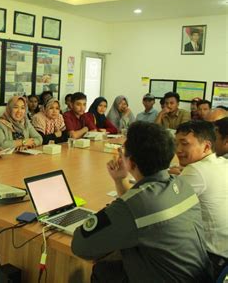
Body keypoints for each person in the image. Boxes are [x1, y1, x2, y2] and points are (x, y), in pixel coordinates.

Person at [72, 121, 212, 282]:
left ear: (130, 162)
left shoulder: (132, 206)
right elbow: (139, 208)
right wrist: (120, 180)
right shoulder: (181, 184)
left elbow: (80, 245)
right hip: (200, 276)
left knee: (103, 269)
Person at [175, 121, 228, 277]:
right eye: (176, 143)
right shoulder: (223, 162)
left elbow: (161, 208)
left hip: (211, 258)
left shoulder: (195, 170)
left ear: (206, 146)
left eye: (184, 144)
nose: (178, 150)